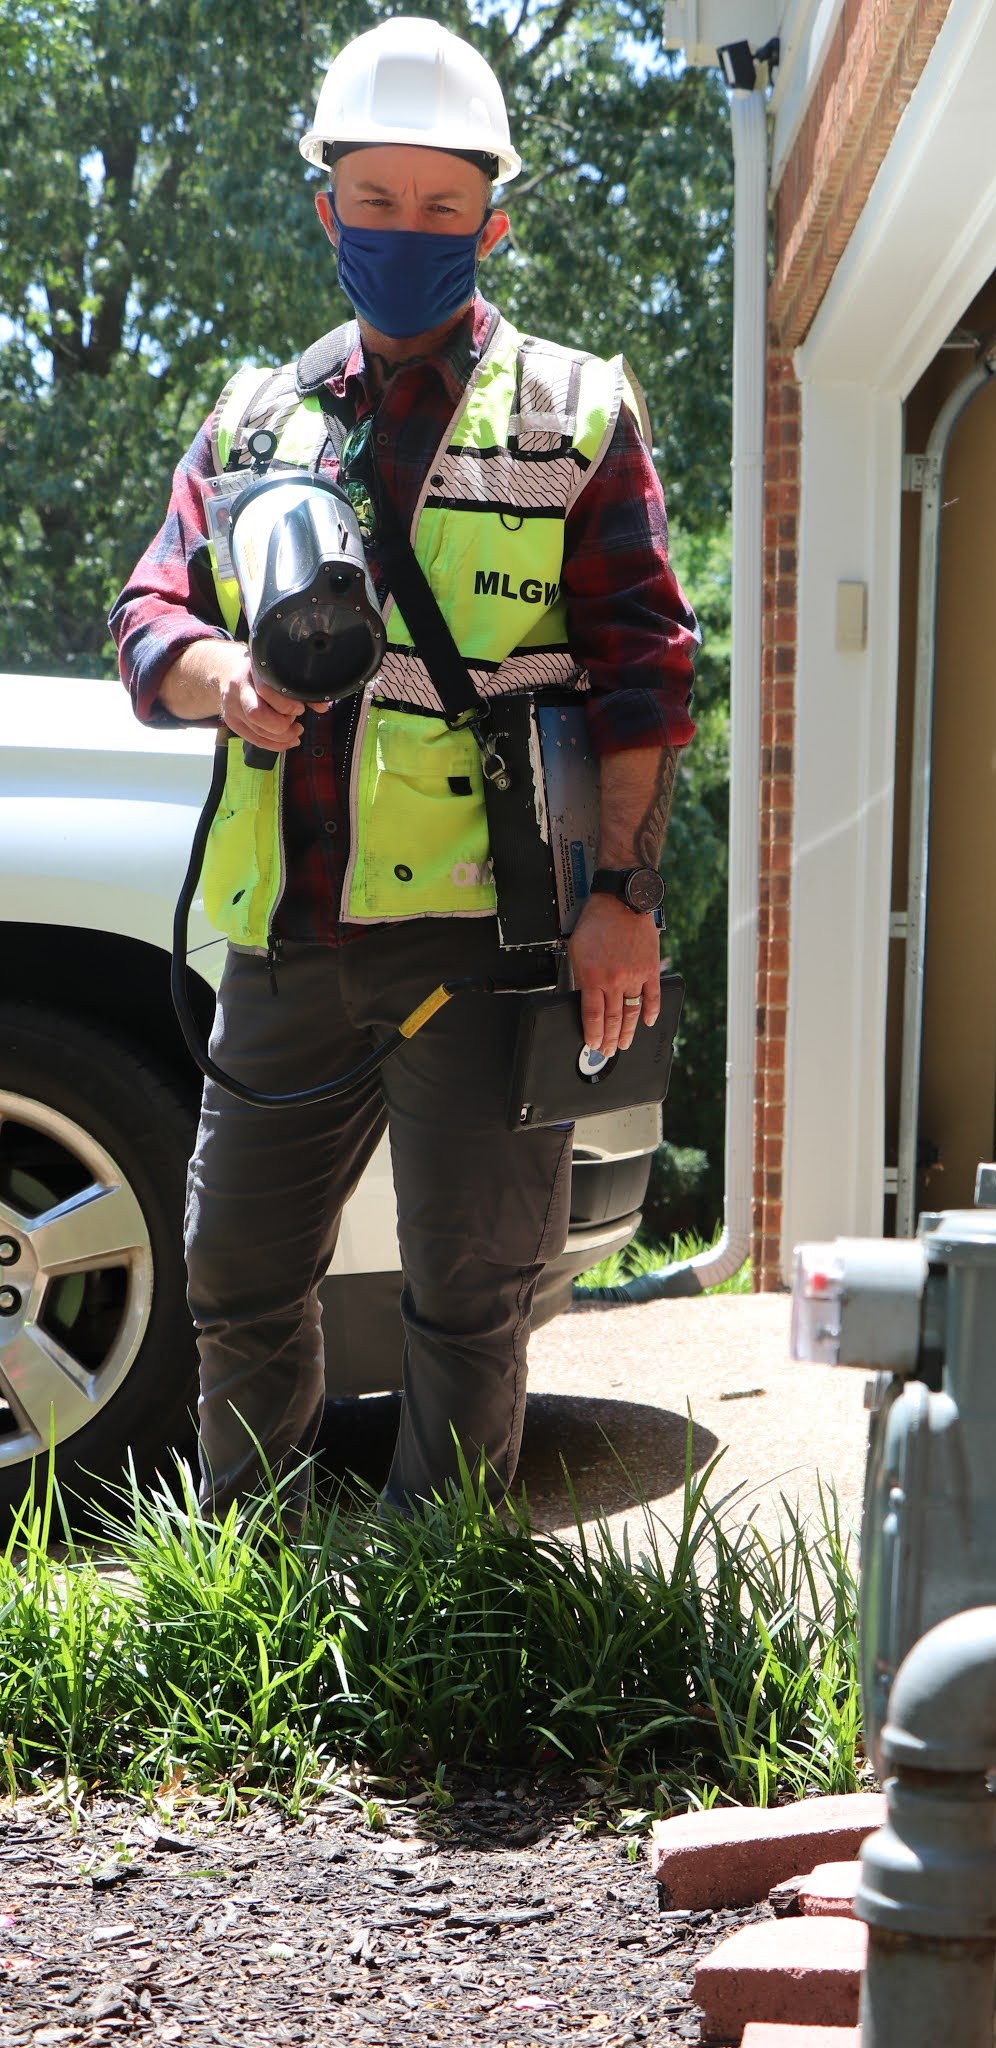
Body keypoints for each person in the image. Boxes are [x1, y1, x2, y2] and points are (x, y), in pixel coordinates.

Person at [109, 16, 697, 1519]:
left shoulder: (573, 414)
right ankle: (256, 1594)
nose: (408, 233)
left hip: (492, 939)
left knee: (471, 1293)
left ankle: (442, 1605)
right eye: (375, 200)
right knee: (236, 1275)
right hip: (290, 933)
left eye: (443, 207)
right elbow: (147, 612)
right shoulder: (252, 416)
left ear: (491, 219)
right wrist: (216, 674)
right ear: (328, 208)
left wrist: (619, 892)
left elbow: (645, 672)